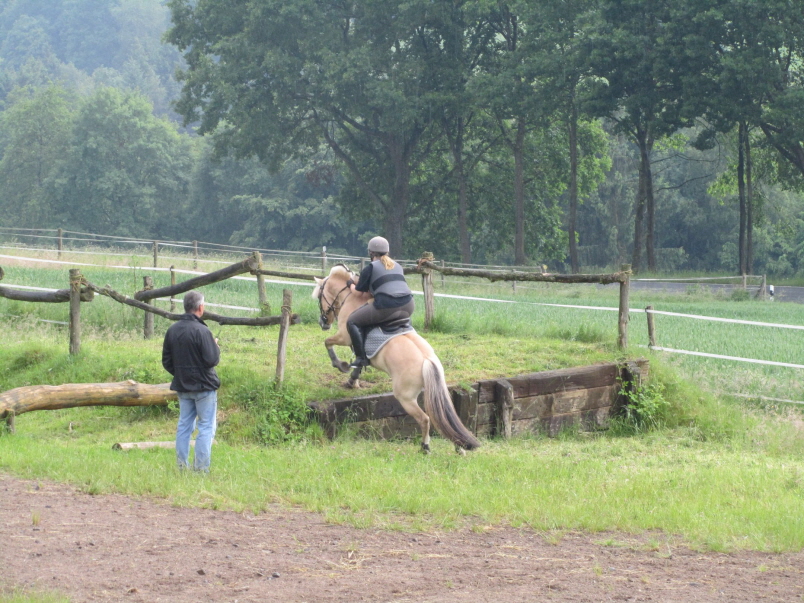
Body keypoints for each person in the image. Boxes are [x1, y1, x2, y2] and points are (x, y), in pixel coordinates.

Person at [162, 290, 221, 472]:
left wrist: (180, 374)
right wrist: (215, 346)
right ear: (200, 307)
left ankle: (182, 466)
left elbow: (167, 361)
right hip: (204, 387)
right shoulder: (202, 331)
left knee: (184, 426)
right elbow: (212, 360)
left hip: (183, 386)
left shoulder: (172, 330)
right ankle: (201, 469)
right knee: (206, 427)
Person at [346, 236, 414, 368]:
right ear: (387, 251)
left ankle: (361, 359)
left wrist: (350, 284)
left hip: (388, 306)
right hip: (409, 305)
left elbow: (358, 293)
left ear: (371, 253)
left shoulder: (370, 268)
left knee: (352, 321)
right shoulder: (398, 266)